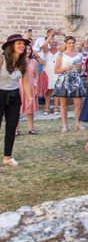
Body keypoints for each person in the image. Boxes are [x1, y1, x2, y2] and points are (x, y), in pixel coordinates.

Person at [1, 34, 33, 166]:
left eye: (23, 44)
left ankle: (7, 158)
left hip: (14, 96)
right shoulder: (1, 59)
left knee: (12, 127)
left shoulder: (23, 61)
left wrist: (29, 97)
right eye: (19, 43)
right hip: (0, 94)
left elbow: (25, 82)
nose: (22, 46)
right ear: (11, 46)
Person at [53, 36, 86, 133]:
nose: (71, 45)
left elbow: (80, 71)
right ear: (66, 44)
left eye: (73, 43)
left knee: (78, 103)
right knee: (63, 104)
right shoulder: (61, 55)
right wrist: (65, 68)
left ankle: (77, 123)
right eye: (69, 43)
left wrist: (79, 67)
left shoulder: (78, 55)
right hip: (64, 79)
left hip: (75, 79)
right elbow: (56, 70)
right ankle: (64, 125)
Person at [19, 45, 40, 135]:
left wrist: (36, 86)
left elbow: (36, 75)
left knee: (30, 109)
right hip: (19, 86)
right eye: (26, 49)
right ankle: (16, 129)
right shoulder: (18, 61)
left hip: (31, 86)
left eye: (29, 49)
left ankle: (31, 128)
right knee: (17, 109)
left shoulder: (34, 61)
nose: (28, 51)